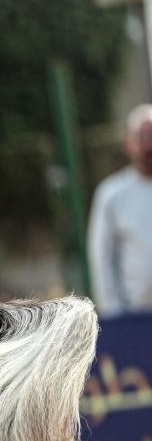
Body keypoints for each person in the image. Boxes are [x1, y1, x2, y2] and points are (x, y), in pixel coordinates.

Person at [88, 104, 152, 317]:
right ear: (130, 144)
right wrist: (114, 313)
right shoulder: (112, 195)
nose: (148, 146)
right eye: (143, 137)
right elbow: (102, 259)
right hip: (134, 317)